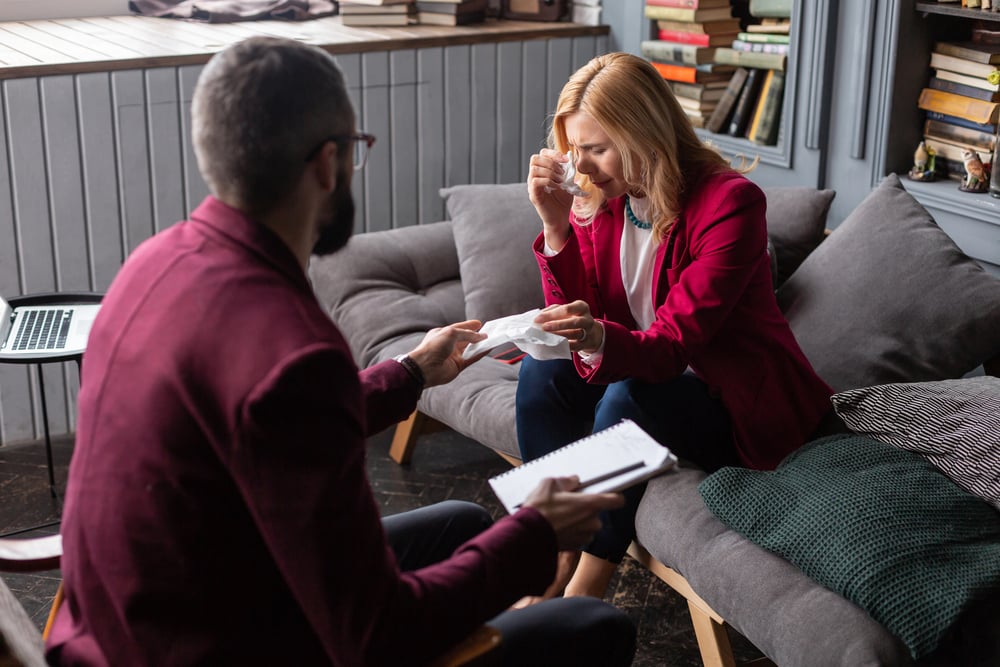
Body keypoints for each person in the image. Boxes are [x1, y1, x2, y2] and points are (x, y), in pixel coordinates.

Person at [46, 37, 637, 667]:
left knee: (462, 524)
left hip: (124, 623)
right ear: (328, 163)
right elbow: (373, 635)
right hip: (215, 646)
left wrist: (409, 374)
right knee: (594, 624)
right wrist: (535, 536)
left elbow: (264, 422)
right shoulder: (293, 347)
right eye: (357, 151)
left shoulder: (152, 262)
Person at [516, 52, 835, 603]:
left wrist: (596, 338)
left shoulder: (730, 204)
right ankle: (552, 548)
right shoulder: (602, 200)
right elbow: (579, 318)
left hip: (730, 403)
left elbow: (670, 348)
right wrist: (555, 226)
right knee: (539, 377)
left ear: (644, 132)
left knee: (629, 399)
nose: (583, 168)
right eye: (575, 151)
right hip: (641, 370)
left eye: (596, 149)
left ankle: (586, 585)